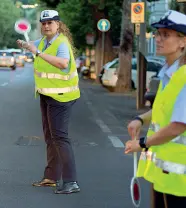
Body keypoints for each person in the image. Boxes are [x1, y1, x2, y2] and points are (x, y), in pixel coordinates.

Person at [125, 10, 186, 207]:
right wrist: (141, 119)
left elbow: (178, 125)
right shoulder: (169, 72)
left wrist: (142, 143)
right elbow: (165, 110)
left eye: (166, 35)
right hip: (166, 175)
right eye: (158, 33)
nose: (158, 39)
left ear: (183, 42)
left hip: (180, 181)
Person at [17, 10, 80, 194]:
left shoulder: (61, 43)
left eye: (50, 23)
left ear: (58, 25)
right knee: (50, 138)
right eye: (43, 23)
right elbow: (31, 45)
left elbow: (62, 63)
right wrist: (24, 44)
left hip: (62, 97)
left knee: (60, 139)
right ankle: (51, 177)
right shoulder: (44, 41)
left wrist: (37, 52)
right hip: (47, 95)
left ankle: (71, 182)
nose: (46, 26)